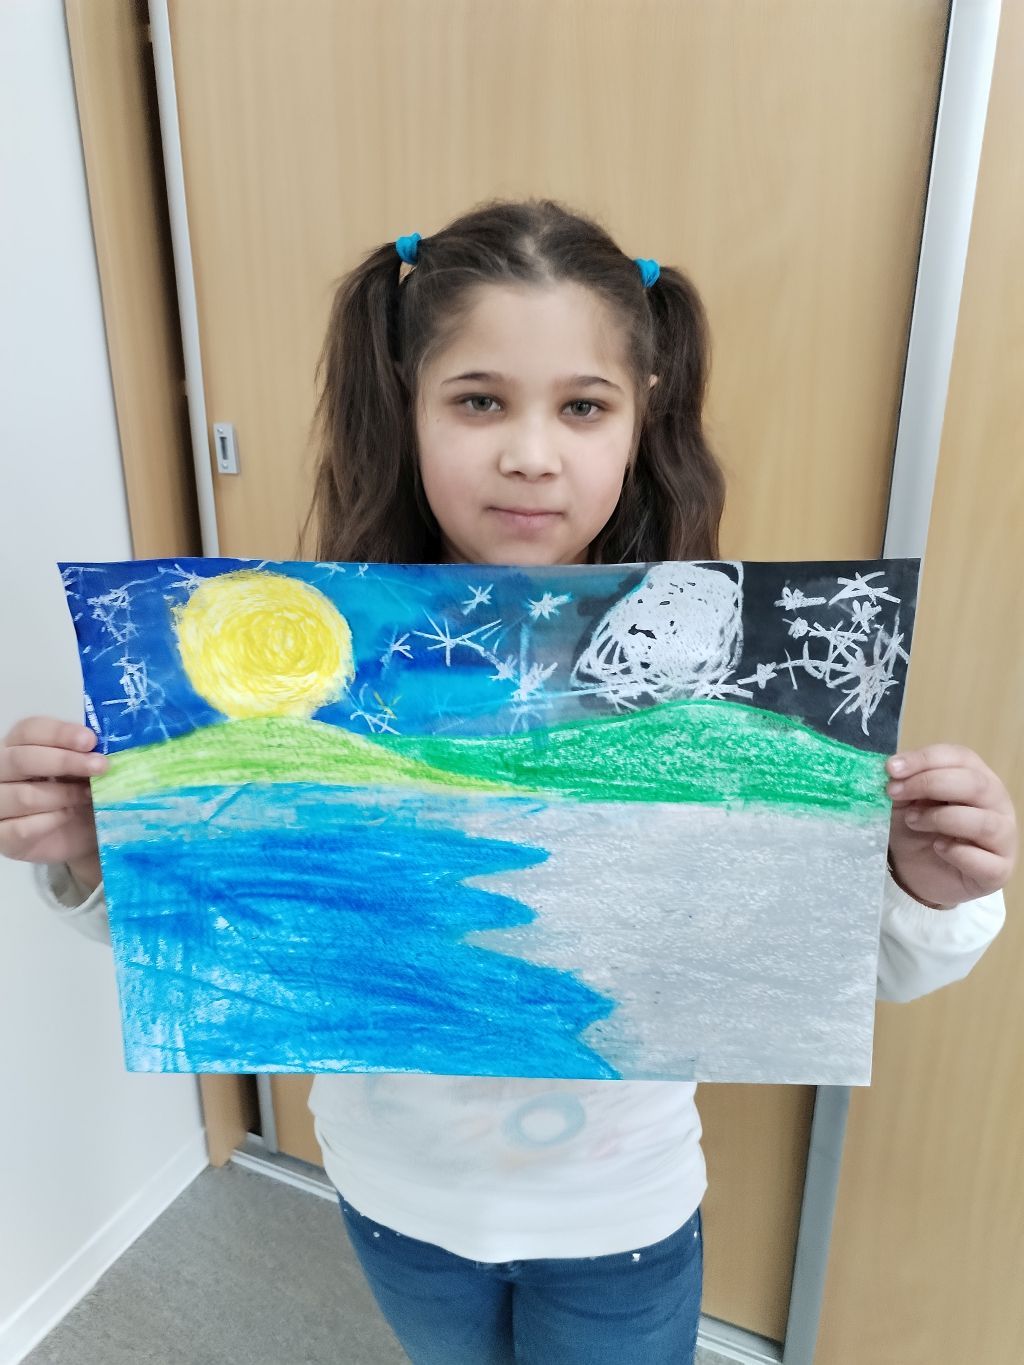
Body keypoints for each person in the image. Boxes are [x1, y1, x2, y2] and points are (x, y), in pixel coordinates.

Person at [1, 199, 1016, 1365]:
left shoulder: (713, 695)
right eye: (479, 400)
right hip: (394, 1202)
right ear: (408, 407)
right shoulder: (305, 688)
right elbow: (219, 918)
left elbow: (856, 965)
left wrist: (928, 886)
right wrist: (94, 851)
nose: (531, 452)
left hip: (619, 1215)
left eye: (583, 407)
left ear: (640, 419)